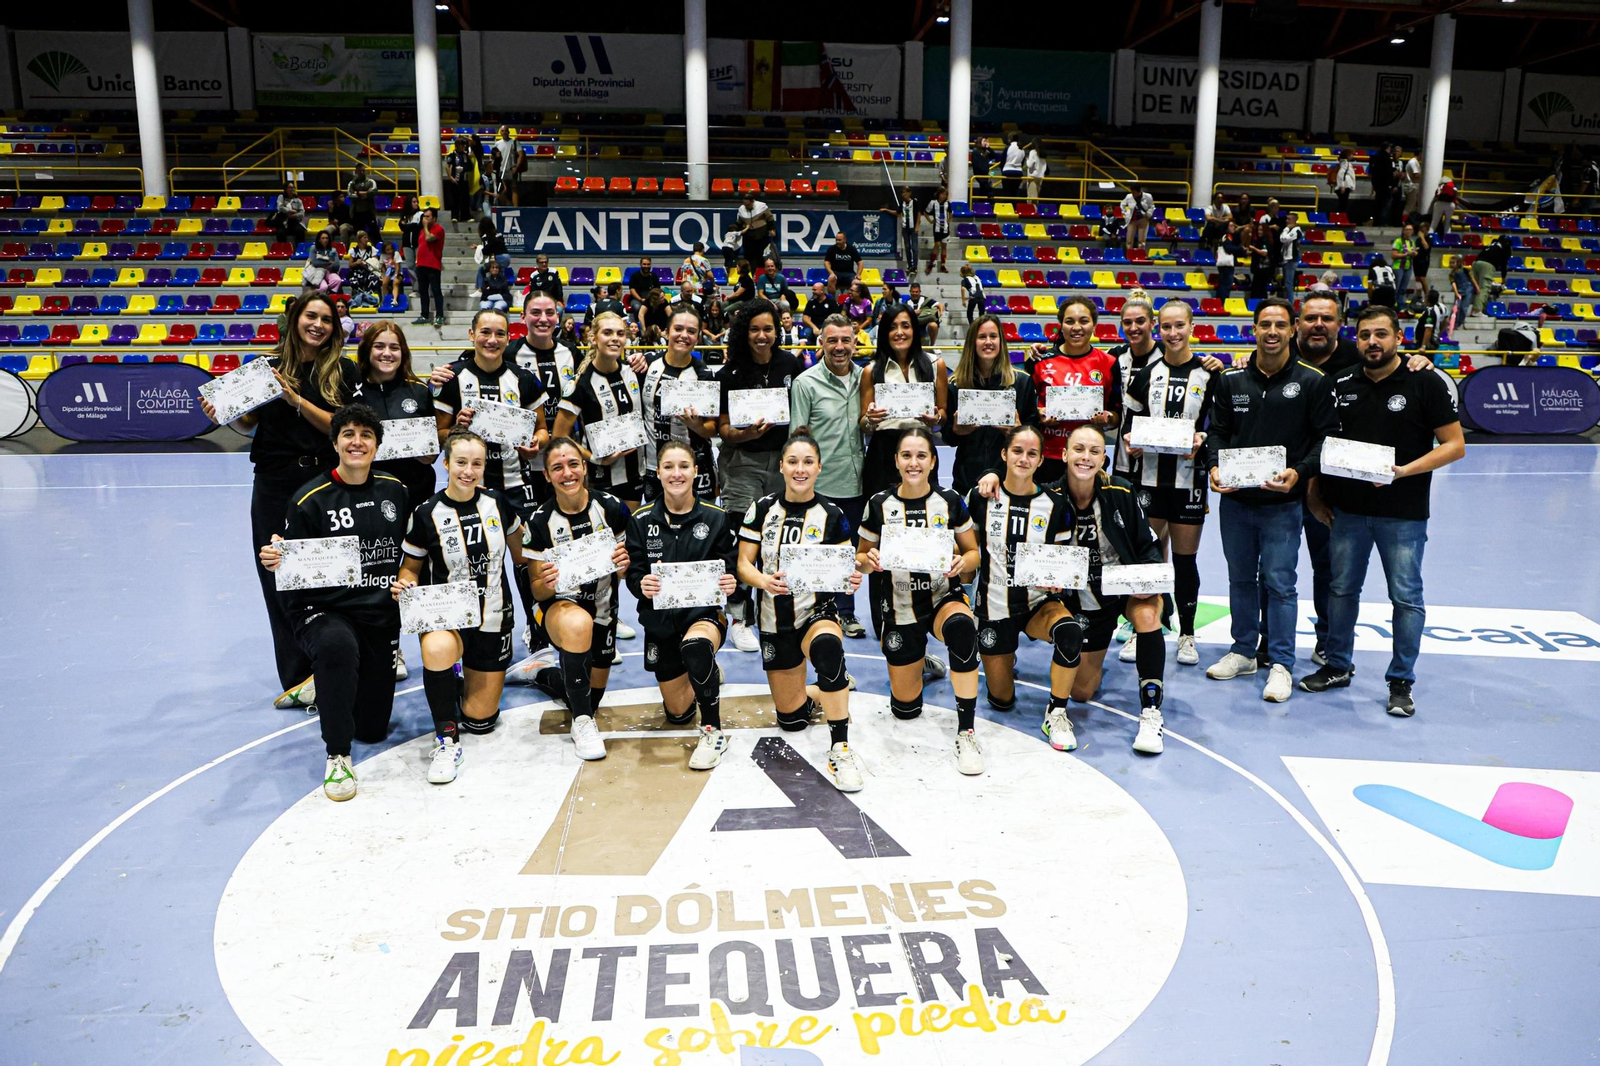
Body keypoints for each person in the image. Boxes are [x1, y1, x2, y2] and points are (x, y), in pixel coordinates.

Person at [201, 292, 361, 709]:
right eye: (312, 316)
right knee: (278, 575)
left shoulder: (342, 369)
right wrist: (222, 411)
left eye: (327, 319)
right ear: (295, 319)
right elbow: (247, 420)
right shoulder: (264, 368)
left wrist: (296, 400)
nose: (318, 325)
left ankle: (336, 667)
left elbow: (341, 427)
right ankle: (297, 678)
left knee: (330, 573)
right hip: (273, 481)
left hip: (325, 480)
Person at [1302, 304, 1464, 715]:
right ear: (1355, 339)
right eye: (1365, 336)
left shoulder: (1424, 383)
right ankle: (1337, 665)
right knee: (1341, 590)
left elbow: (1454, 445)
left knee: (1406, 597)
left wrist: (1404, 471)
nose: (1372, 343)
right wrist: (1317, 494)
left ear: (1398, 338)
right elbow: (1324, 445)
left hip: (1403, 512)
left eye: (1381, 334)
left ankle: (1401, 681)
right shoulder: (1339, 383)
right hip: (1348, 511)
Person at [258, 404, 409, 802]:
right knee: (335, 646)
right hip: (324, 612)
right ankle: (337, 755)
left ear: (377, 445)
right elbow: (290, 566)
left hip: (378, 614)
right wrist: (279, 558)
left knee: (373, 729)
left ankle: (322, 687)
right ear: (336, 442)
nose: (357, 442)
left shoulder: (396, 491)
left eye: (366, 435)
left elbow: (417, 549)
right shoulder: (310, 499)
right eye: (348, 435)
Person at [1199, 297, 1339, 703]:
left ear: (1292, 330)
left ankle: (1280, 663)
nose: (1272, 332)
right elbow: (1217, 433)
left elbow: (1325, 439)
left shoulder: (1312, 381)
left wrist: (1300, 471)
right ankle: (1243, 651)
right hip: (1237, 503)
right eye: (1265, 325)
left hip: (1282, 504)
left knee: (1280, 584)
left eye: (1280, 325)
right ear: (1254, 330)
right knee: (1240, 578)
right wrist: (1213, 468)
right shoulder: (1231, 381)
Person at [392, 429, 527, 783]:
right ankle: (446, 738)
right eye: (461, 462)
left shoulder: (499, 504)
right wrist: (406, 583)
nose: (469, 471)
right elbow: (410, 568)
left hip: (493, 617)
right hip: (447, 618)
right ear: (446, 463)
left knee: (480, 721)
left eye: (477, 463)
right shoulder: (426, 513)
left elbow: (522, 555)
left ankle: (465, 679)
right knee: (437, 647)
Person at [736, 434, 864, 790]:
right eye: (793, 461)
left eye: (808, 462)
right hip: (774, 618)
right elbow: (743, 563)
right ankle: (826, 686)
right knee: (791, 720)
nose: (800, 468)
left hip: (815, 612)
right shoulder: (761, 508)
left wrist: (851, 579)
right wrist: (763, 581)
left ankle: (840, 746)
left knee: (827, 647)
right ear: (781, 466)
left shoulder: (832, 515)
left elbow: (843, 569)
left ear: (819, 467)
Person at [855, 426, 984, 773]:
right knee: (906, 710)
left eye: (921, 455)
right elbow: (861, 560)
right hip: (898, 607)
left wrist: (962, 562)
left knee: (961, 629)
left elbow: (974, 554)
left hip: (942, 597)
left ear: (932, 461)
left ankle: (967, 730)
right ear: (896, 461)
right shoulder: (879, 504)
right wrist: (869, 562)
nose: (914, 462)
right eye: (907, 455)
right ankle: (920, 660)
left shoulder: (951, 501)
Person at [964, 424, 1082, 743]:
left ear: (1042, 460)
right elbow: (967, 550)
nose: (1024, 458)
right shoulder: (980, 497)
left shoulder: (1056, 507)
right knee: (1001, 701)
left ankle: (1056, 712)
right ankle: (1004, 655)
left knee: (1070, 632)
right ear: (1004, 454)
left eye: (1032, 453)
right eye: (1017, 451)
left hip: (1037, 604)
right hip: (993, 605)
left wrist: (1060, 581)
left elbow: (1062, 561)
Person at [625, 440, 739, 768]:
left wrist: (730, 582)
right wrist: (640, 584)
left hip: (703, 618)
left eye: (684, 467)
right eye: (669, 467)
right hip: (661, 624)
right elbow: (634, 573)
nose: (677, 474)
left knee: (696, 646)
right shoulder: (641, 520)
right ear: (658, 473)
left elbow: (730, 570)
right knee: (678, 713)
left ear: (696, 472)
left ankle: (714, 731)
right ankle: (704, 672)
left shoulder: (717, 518)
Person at [1121, 300, 1219, 669]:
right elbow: (1130, 425)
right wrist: (1132, 441)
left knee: (1184, 560)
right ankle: (1144, 627)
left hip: (1188, 481)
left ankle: (1187, 633)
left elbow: (1218, 428)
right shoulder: (1146, 374)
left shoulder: (1211, 375)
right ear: (1158, 330)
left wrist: (1203, 441)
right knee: (1147, 560)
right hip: (1148, 480)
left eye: (1180, 326)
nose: (1173, 333)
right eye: (1166, 327)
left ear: (1192, 326)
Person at [524, 438, 633, 761]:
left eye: (573, 464)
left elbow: (628, 573)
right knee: (577, 624)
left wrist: (625, 566)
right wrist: (548, 583)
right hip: (560, 610)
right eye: (557, 467)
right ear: (546, 475)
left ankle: (540, 672)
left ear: (585, 467)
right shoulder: (540, 522)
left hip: (603, 610)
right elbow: (536, 590)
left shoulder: (611, 508)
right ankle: (582, 723)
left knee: (586, 693)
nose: (567, 473)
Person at [716, 298, 805, 653]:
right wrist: (746, 434)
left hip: (782, 465)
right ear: (744, 332)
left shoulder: (790, 365)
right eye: (755, 329)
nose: (762, 335)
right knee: (742, 540)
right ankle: (739, 616)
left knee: (779, 538)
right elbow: (723, 429)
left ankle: (780, 605)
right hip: (742, 464)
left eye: (768, 328)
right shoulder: (730, 372)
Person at [791, 315, 869, 640]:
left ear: (854, 342)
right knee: (819, 554)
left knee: (848, 552)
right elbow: (798, 437)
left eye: (845, 340)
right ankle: (813, 613)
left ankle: (847, 613)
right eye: (832, 340)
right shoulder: (805, 384)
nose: (839, 347)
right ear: (820, 342)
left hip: (857, 483)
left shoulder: (866, 378)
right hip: (821, 486)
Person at [554, 311, 646, 511]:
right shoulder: (580, 383)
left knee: (628, 538)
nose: (615, 338)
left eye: (620, 333)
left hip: (634, 474)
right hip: (599, 478)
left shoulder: (633, 371)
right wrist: (595, 458)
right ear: (593, 339)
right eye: (608, 333)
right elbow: (559, 436)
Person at [356, 319, 438, 529]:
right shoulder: (351, 391)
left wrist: (430, 455)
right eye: (379, 346)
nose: (387, 353)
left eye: (394, 347)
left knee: (417, 555)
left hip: (416, 490)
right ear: (367, 350)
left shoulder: (419, 391)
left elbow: (432, 442)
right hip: (366, 492)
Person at [860, 304, 949, 498]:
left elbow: (943, 414)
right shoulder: (871, 371)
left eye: (905, 326)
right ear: (884, 333)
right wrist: (870, 419)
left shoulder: (936, 365)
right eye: (892, 327)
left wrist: (936, 419)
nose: (899, 332)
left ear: (914, 330)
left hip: (921, 446)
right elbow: (864, 425)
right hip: (882, 452)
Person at [1030, 295, 1120, 484]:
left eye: (1084, 321)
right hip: (1048, 457)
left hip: (1090, 458)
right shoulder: (1041, 361)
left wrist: (1107, 418)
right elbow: (1027, 410)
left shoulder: (1109, 363)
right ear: (1061, 325)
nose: (1077, 327)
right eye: (1069, 321)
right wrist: (1038, 414)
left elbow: (1117, 416)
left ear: (1094, 325)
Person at [945, 313, 1037, 494]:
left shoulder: (1021, 382)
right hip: (967, 480)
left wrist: (1019, 431)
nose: (988, 342)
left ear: (1001, 342)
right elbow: (948, 437)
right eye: (982, 337)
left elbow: (1035, 431)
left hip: (1010, 480)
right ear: (973, 343)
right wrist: (956, 431)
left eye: (993, 336)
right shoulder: (956, 384)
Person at [640, 306, 719, 502]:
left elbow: (712, 428)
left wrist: (696, 425)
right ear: (666, 332)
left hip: (693, 465)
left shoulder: (704, 375)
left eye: (691, 331)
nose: (684, 335)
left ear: (698, 337)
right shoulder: (646, 365)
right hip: (652, 464)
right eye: (678, 329)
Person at [410, 206, 446, 328]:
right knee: (423, 291)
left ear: (434, 218)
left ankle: (440, 316)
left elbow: (429, 238)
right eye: (423, 216)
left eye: (427, 217)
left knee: (436, 291)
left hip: (433, 265)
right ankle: (424, 315)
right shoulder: (421, 231)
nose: (424, 219)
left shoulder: (438, 229)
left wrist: (425, 227)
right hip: (421, 265)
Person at [1471, 237, 1511, 314]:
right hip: (1487, 265)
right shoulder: (1504, 248)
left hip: (1476, 263)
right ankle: (1476, 310)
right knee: (1484, 288)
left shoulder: (1491, 246)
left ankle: (1479, 309)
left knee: (1476, 287)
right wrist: (1503, 279)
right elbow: (1504, 265)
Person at [472, 217, 510, 298]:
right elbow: (494, 244)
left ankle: (480, 290)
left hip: (499, 257)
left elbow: (486, 250)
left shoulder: (486, 236)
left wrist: (480, 248)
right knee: (499, 274)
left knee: (481, 269)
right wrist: (479, 247)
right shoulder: (498, 233)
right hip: (506, 257)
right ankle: (500, 292)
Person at [737, 195, 776, 269]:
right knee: (748, 255)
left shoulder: (762, 206)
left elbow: (770, 218)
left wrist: (772, 229)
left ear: (753, 202)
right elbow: (739, 222)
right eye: (745, 204)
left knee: (760, 255)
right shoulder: (741, 209)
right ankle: (748, 272)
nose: (746, 206)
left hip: (761, 233)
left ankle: (760, 272)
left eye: (748, 205)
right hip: (748, 235)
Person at [302, 230, 343, 296]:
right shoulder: (314, 248)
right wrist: (329, 262)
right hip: (317, 272)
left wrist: (325, 264)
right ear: (319, 240)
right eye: (323, 238)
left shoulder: (333, 250)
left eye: (327, 238)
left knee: (337, 280)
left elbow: (337, 265)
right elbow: (315, 262)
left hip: (329, 271)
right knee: (324, 287)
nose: (325, 240)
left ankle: (327, 290)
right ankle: (316, 292)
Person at [346, 163, 378, 239]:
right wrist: (366, 194)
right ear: (356, 171)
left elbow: (374, 192)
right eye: (360, 171)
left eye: (363, 171)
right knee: (359, 235)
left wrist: (357, 192)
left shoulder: (371, 181)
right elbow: (350, 195)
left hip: (369, 212)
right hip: (357, 213)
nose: (362, 172)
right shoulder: (352, 183)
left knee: (375, 233)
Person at [924, 187, 952, 274]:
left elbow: (951, 213)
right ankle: (931, 264)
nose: (944, 196)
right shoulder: (933, 203)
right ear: (939, 194)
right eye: (943, 194)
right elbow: (925, 212)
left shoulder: (948, 203)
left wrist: (948, 220)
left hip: (945, 228)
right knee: (937, 245)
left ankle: (943, 266)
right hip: (937, 228)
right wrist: (930, 221)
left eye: (945, 195)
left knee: (944, 246)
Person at [1121, 183, 1154, 250]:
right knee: (1129, 240)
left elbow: (1152, 207)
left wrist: (1148, 214)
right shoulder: (1129, 196)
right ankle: (1129, 254)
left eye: (1134, 192)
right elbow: (1122, 204)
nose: (1133, 194)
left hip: (1143, 219)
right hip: (1132, 220)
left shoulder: (1148, 196)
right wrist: (1125, 213)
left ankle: (1140, 255)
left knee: (1141, 241)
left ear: (1138, 191)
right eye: (1132, 192)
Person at [1392, 223, 1417, 309]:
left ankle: (1400, 305)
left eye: (1411, 230)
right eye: (1407, 229)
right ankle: (1393, 304)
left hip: (1408, 267)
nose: (1409, 231)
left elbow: (1413, 251)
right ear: (1403, 231)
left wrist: (1414, 253)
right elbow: (1394, 255)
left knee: (1403, 288)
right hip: (1398, 267)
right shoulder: (1398, 241)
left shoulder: (1411, 242)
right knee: (1396, 287)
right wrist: (1406, 254)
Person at [1279, 214, 1305, 298]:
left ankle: (1290, 303)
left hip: (1291, 260)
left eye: (1289, 219)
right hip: (1286, 259)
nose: (1287, 221)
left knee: (1288, 283)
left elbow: (1283, 239)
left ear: (1294, 220)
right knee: (1286, 283)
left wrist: (1286, 229)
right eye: (1286, 219)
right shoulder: (1291, 231)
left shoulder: (1296, 231)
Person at [1215, 221, 1241, 302]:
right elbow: (1228, 248)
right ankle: (1222, 302)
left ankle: (1221, 301)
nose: (1233, 227)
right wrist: (1240, 249)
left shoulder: (1230, 237)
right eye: (1231, 226)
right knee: (1226, 284)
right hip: (1226, 264)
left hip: (1226, 264)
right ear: (1226, 228)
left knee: (1225, 283)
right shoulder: (1226, 237)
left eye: (1234, 226)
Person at [1411, 219, 1434, 308]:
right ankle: (1419, 295)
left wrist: (1422, 237)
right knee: (1417, 278)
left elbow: (1426, 247)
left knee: (1422, 277)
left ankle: (1428, 296)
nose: (1421, 230)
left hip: (1424, 260)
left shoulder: (1429, 238)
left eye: (1423, 229)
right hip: (1417, 260)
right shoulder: (1417, 240)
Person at [379, 242, 406, 310]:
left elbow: (397, 266)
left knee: (395, 282)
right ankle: (387, 299)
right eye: (387, 250)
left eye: (391, 249)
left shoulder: (396, 254)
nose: (390, 251)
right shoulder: (383, 255)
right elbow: (382, 266)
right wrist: (384, 274)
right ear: (384, 250)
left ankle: (395, 300)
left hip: (397, 272)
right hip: (388, 272)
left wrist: (396, 275)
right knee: (384, 283)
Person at [1001, 133, 1026, 199]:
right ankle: (1014, 207)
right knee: (1014, 193)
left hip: (1007, 171)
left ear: (1010, 139)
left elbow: (1003, 160)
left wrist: (1002, 170)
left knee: (1006, 193)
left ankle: (1007, 208)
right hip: (1018, 172)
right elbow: (1022, 162)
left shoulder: (1008, 148)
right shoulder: (1022, 149)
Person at [1332, 149, 1357, 216]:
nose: (1352, 156)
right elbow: (1341, 174)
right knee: (1343, 205)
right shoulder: (1345, 164)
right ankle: (1338, 218)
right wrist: (1342, 186)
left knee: (1343, 204)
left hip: (1345, 186)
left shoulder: (1344, 163)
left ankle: (1339, 218)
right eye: (1351, 154)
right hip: (1345, 186)